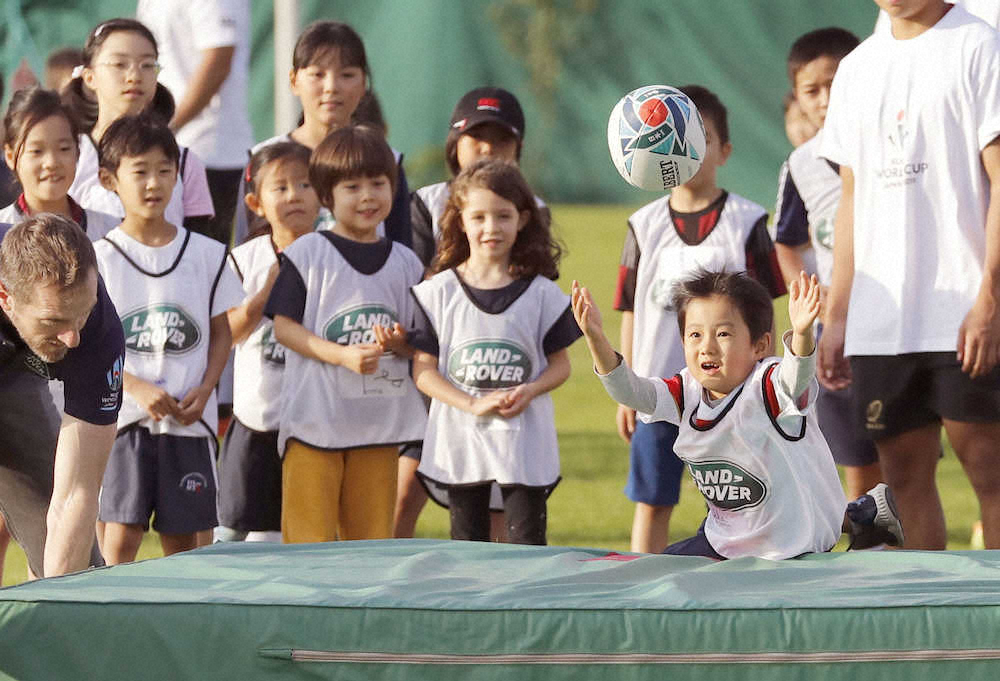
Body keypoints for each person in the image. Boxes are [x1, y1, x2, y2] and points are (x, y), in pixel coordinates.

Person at [819, 0, 1000, 550]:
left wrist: (989, 298)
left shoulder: (979, 44)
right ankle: (935, 630)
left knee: (991, 475)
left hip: (964, 314)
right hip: (884, 324)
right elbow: (852, 200)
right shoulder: (856, 68)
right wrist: (837, 317)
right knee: (901, 483)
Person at [574, 269, 902, 559]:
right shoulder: (685, 392)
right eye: (695, 334)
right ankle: (862, 515)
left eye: (723, 334)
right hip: (725, 541)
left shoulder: (768, 386)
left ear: (759, 346)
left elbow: (796, 375)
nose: (707, 347)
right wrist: (595, 338)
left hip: (789, 547)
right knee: (661, 574)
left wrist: (802, 333)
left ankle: (861, 517)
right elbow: (631, 393)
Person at [613, 85, 786, 553]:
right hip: (661, 393)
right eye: (669, 135)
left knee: (748, 501)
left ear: (724, 151)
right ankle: (644, 594)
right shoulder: (642, 224)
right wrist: (628, 386)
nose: (683, 147)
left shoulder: (747, 221)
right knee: (653, 500)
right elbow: (631, 308)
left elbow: (766, 308)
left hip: (733, 394)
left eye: (700, 136)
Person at [398, 86, 548, 540]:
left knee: (499, 497)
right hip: (437, 365)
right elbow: (418, 285)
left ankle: (497, 595)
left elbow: (535, 292)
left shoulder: (529, 210)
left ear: (517, 150)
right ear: (454, 145)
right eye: (475, 138)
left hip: (497, 366)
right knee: (407, 487)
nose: (487, 149)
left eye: (501, 140)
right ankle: (381, 577)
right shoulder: (427, 201)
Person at [92, 115, 242, 563]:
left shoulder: (208, 255)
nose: (153, 183)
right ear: (109, 179)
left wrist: (208, 386)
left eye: (164, 170)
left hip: (188, 422)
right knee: (119, 539)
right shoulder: (98, 259)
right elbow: (92, 343)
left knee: (187, 545)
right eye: (139, 171)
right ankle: (112, 625)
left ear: (179, 174)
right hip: (126, 424)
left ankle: (191, 629)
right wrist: (134, 387)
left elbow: (222, 331)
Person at [265, 125, 426, 543]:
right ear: (325, 195)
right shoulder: (307, 254)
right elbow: (284, 328)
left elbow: (419, 340)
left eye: (378, 183)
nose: (368, 196)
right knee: (308, 546)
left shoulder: (406, 262)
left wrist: (401, 344)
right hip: (315, 425)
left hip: (378, 429)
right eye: (352, 186)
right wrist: (341, 355)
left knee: (370, 546)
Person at [409, 159, 581, 545]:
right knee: (468, 549)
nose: (491, 227)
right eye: (479, 217)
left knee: (527, 551)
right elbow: (423, 371)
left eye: (503, 216)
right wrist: (470, 404)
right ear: (459, 220)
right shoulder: (438, 294)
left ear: (522, 220)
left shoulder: (541, 295)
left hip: (523, 442)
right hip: (461, 440)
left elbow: (561, 366)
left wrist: (531, 390)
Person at [771, 29, 883, 503]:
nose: (823, 99)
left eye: (834, 83)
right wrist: (814, 303)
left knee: (904, 454)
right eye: (810, 90)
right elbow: (788, 243)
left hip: (893, 325)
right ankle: (874, 555)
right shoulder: (801, 165)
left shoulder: (887, 149)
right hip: (834, 335)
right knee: (857, 460)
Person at [0, 213, 125, 576]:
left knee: (76, 566)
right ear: (6, 298)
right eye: (54, 321)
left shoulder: (99, 330)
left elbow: (77, 494)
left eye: (81, 315)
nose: (73, 338)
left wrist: (61, 604)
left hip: (13, 375)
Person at [214, 141, 319, 543]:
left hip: (311, 422)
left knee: (285, 534)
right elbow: (230, 333)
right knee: (234, 529)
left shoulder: (331, 253)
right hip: (254, 417)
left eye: (306, 185)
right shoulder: (245, 258)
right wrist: (268, 291)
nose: (295, 195)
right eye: (281, 187)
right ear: (256, 202)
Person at [234, 21, 411, 248]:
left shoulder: (388, 161)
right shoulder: (264, 160)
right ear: (294, 81)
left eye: (346, 75)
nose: (331, 87)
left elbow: (402, 250)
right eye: (317, 74)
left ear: (364, 83)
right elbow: (245, 252)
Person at [63, 18, 215, 232]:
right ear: (89, 77)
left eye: (147, 65)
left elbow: (201, 249)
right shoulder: (68, 156)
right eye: (119, 64)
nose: (134, 76)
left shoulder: (186, 163)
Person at [137, 0, 254, 246]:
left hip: (212, 156)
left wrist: (169, 126)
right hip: (163, 154)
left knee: (207, 268)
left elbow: (219, 58)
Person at [1, 87, 118, 239]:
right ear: (10, 156)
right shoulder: (3, 230)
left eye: (63, 149)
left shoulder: (110, 232)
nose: (51, 163)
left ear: (78, 151)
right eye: (37, 151)